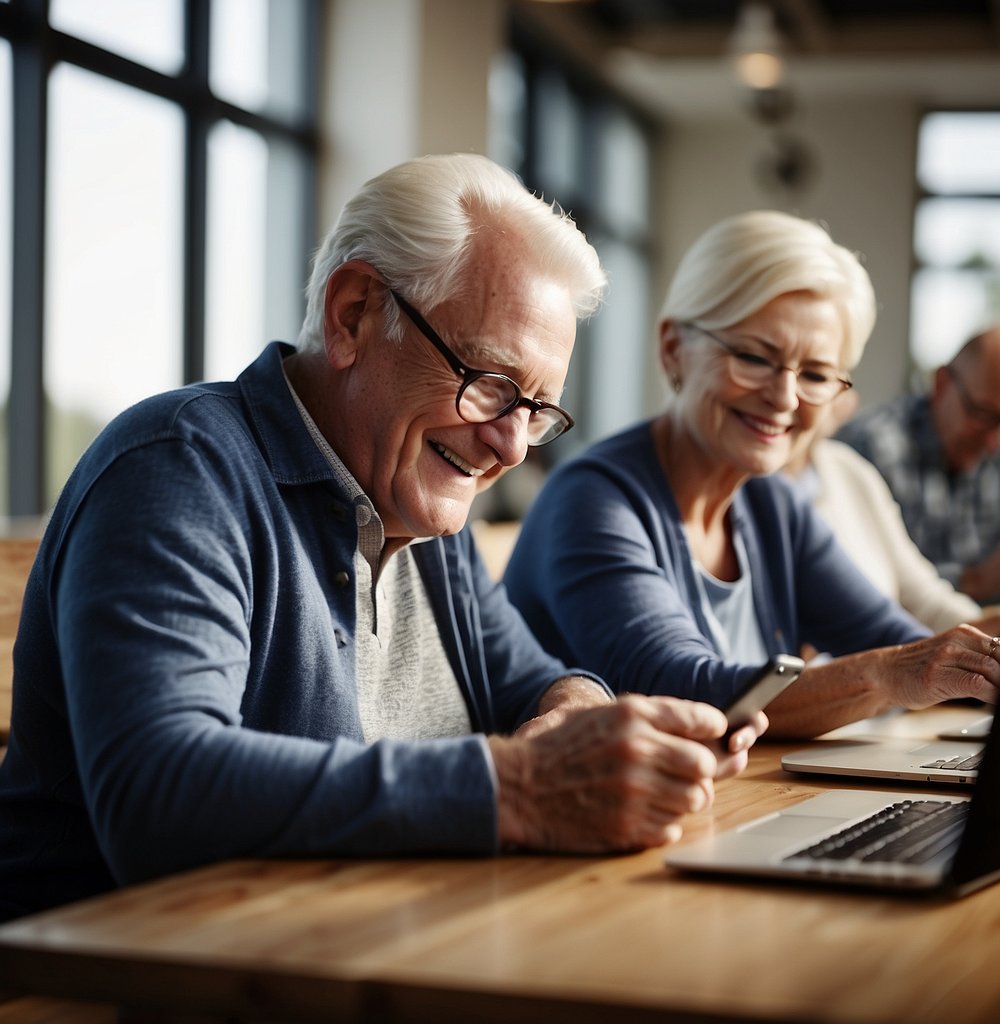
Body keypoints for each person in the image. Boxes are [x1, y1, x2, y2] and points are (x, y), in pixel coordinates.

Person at [0, 154, 764, 922]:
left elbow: (532, 678)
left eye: (536, 409)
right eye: (492, 384)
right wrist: (523, 787)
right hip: (117, 979)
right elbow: (156, 796)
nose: (509, 446)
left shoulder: (421, 506)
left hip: (361, 948)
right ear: (354, 313)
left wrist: (578, 712)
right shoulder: (178, 468)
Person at [504, 210, 1000, 739]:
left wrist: (968, 662)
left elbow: (899, 642)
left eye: (815, 374)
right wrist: (891, 675)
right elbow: (681, 687)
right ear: (674, 347)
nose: (785, 397)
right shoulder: (590, 500)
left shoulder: (773, 503)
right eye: (753, 357)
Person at [785, 387, 1000, 640]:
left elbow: (920, 598)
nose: (786, 396)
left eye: (818, 376)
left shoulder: (850, 471)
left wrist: (993, 635)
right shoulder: (875, 442)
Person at [837, 323, 1000, 605]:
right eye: (984, 414)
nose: (995, 440)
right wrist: (972, 581)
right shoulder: (871, 448)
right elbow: (853, 584)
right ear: (942, 384)